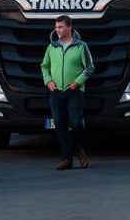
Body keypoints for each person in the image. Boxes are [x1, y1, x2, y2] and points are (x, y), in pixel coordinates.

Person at [40, 15, 94, 170]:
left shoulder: (81, 46)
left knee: (76, 124)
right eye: (56, 27)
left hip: (74, 91)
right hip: (56, 92)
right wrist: (48, 80)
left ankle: (76, 149)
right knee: (59, 123)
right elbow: (44, 65)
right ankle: (68, 158)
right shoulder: (52, 47)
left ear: (69, 27)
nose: (57, 30)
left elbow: (90, 67)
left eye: (61, 27)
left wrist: (78, 82)